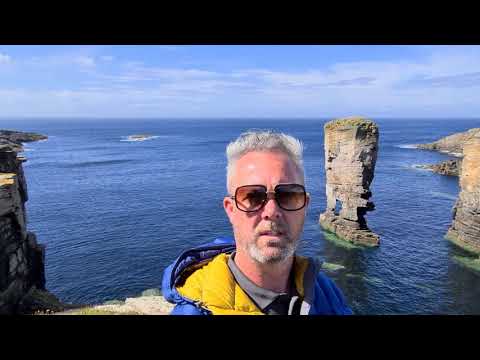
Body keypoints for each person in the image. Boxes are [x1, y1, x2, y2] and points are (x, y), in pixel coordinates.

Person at [161, 130, 353, 315]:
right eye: (253, 196)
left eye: (288, 195)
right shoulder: (195, 311)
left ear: (304, 206)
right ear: (231, 209)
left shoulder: (326, 292)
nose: (271, 211)